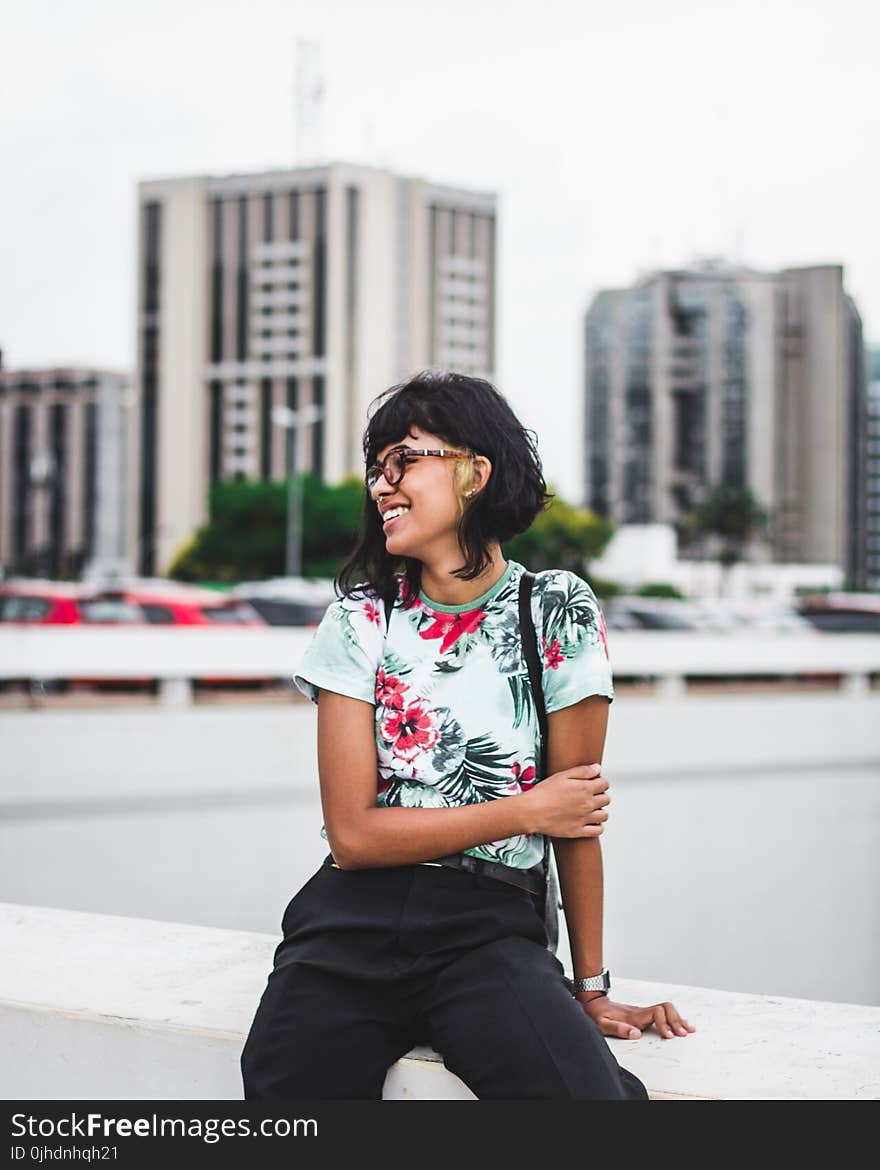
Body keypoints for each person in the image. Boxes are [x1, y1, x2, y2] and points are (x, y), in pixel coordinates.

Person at [240, 370, 694, 1101]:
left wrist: (591, 989)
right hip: (347, 929)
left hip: (488, 930)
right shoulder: (360, 621)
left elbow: (574, 817)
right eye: (374, 470)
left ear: (474, 472)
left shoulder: (554, 610)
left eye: (403, 461)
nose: (381, 486)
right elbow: (353, 836)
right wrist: (522, 811)